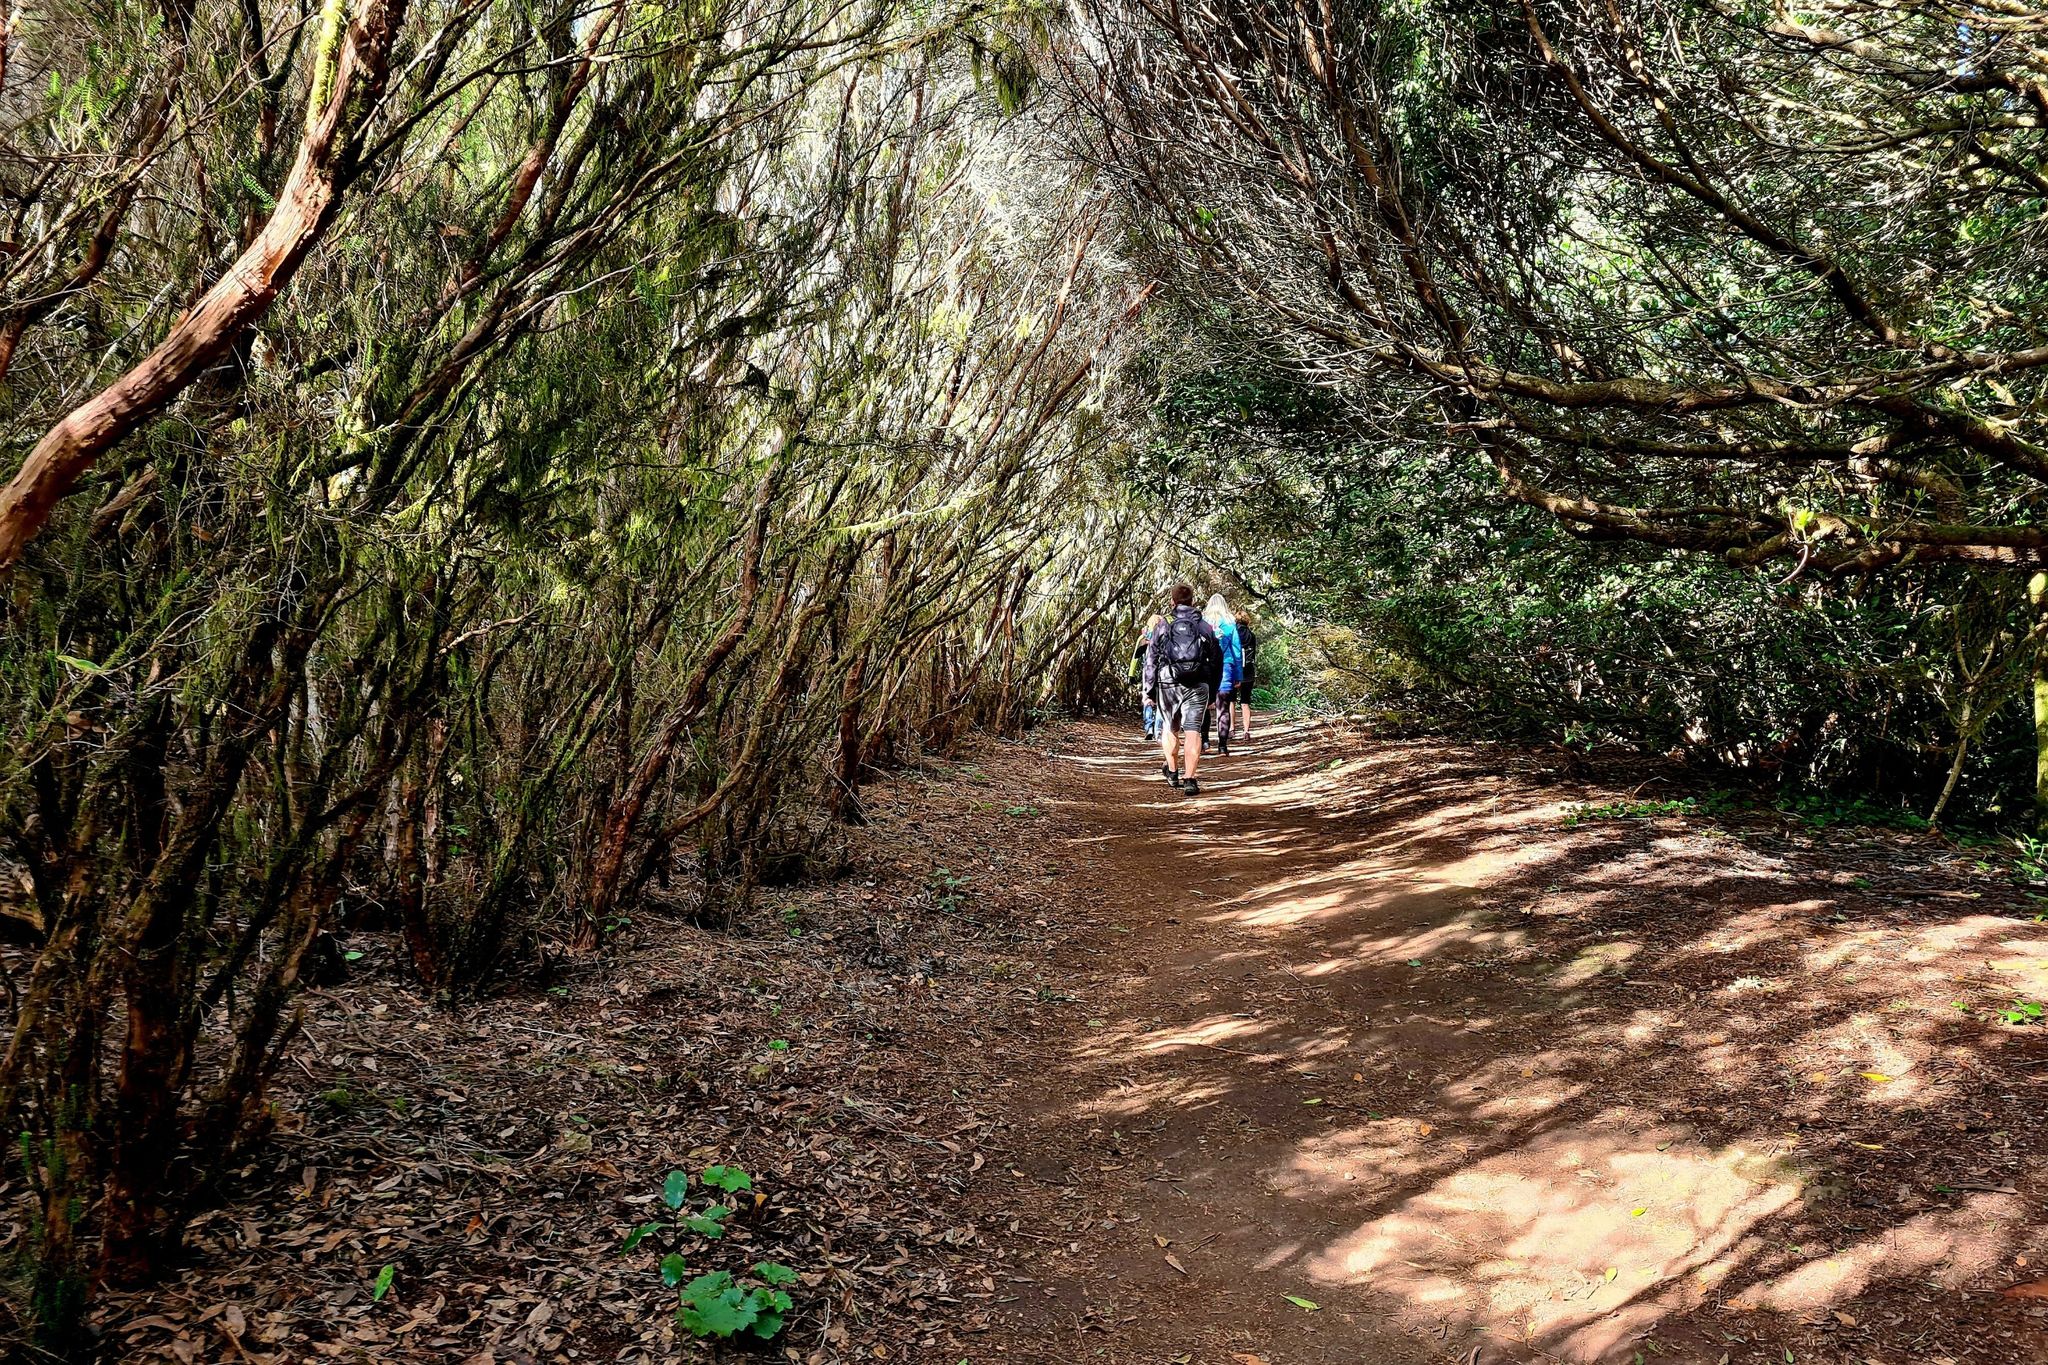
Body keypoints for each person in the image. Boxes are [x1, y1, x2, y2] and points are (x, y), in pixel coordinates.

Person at [1142, 584, 1223, 796]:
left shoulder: (1163, 625)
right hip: (1198, 684)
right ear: (1193, 602)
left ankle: (1172, 771)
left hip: (1168, 682)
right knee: (1193, 730)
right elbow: (1216, 661)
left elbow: (1151, 660)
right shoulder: (1204, 626)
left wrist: (1149, 691)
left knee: (1170, 726)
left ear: (1173, 602)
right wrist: (1213, 691)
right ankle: (1190, 779)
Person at [1203, 593, 1245, 757]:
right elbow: (1236, 650)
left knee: (1203, 706)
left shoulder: (1204, 623)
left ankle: (1204, 740)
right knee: (1223, 708)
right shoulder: (1230, 624)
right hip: (1226, 667)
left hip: (1206, 668)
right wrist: (1238, 675)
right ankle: (1222, 746)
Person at [1129, 614, 1163, 739]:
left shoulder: (1143, 637)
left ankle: (1149, 727)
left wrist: (1131, 675)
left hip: (1147, 672)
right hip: (1162, 672)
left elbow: (1135, 658)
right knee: (1160, 701)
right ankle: (1158, 729)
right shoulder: (1163, 635)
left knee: (1147, 699)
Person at [1234, 609, 1258, 740]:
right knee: (1245, 702)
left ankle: (1231, 729)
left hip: (1234, 670)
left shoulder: (1233, 632)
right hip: (1248, 670)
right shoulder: (1251, 635)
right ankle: (1246, 731)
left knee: (1231, 701)